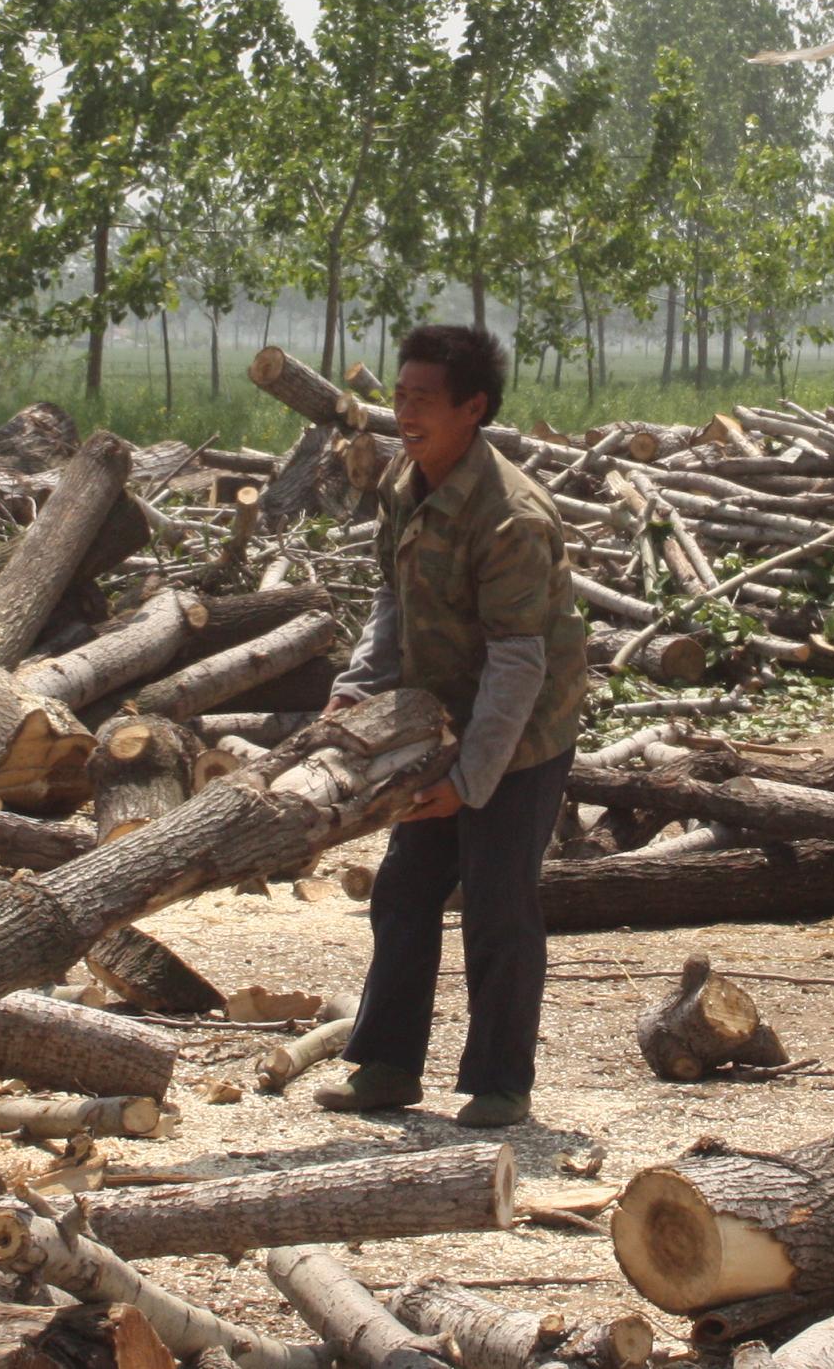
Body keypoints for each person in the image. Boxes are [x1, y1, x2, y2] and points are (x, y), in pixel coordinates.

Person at [314, 322, 590, 1128]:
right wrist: (357, 688)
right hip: (442, 719)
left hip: (523, 729)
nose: (405, 411)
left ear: (473, 408)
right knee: (404, 887)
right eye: (400, 395)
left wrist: (469, 780)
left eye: (424, 400)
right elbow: (390, 604)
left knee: (499, 900)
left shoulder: (512, 517)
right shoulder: (405, 483)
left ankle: (501, 1082)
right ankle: (387, 1065)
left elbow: (518, 663)